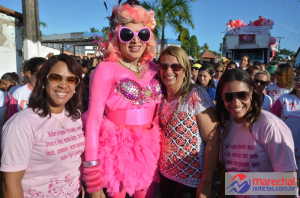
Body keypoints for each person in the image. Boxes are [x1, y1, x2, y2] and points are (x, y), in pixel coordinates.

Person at [83, 2, 162, 198]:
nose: (135, 41)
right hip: (116, 153)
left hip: (151, 151)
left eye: (142, 34)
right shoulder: (105, 69)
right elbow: (92, 124)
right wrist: (93, 181)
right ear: (116, 37)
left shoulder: (154, 69)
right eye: (127, 34)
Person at [0, 54, 85, 197]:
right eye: (55, 78)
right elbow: (10, 183)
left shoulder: (75, 116)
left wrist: (77, 185)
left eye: (71, 79)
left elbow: (72, 162)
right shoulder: (22, 124)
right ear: (44, 81)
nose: (63, 85)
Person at [216, 69, 297, 197]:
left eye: (242, 95)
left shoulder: (271, 127)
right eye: (229, 96)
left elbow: (286, 184)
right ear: (222, 97)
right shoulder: (227, 127)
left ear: (252, 92)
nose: (236, 102)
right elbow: (229, 175)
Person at [157, 46, 219, 198]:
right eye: (164, 66)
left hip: (191, 180)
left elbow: (214, 140)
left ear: (185, 70)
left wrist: (206, 183)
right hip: (164, 175)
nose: (168, 71)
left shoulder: (195, 94)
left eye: (175, 66)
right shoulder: (160, 96)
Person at [271, 67, 300, 183]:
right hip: (286, 148)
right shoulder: (284, 99)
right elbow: (272, 121)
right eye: (298, 79)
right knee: (287, 183)